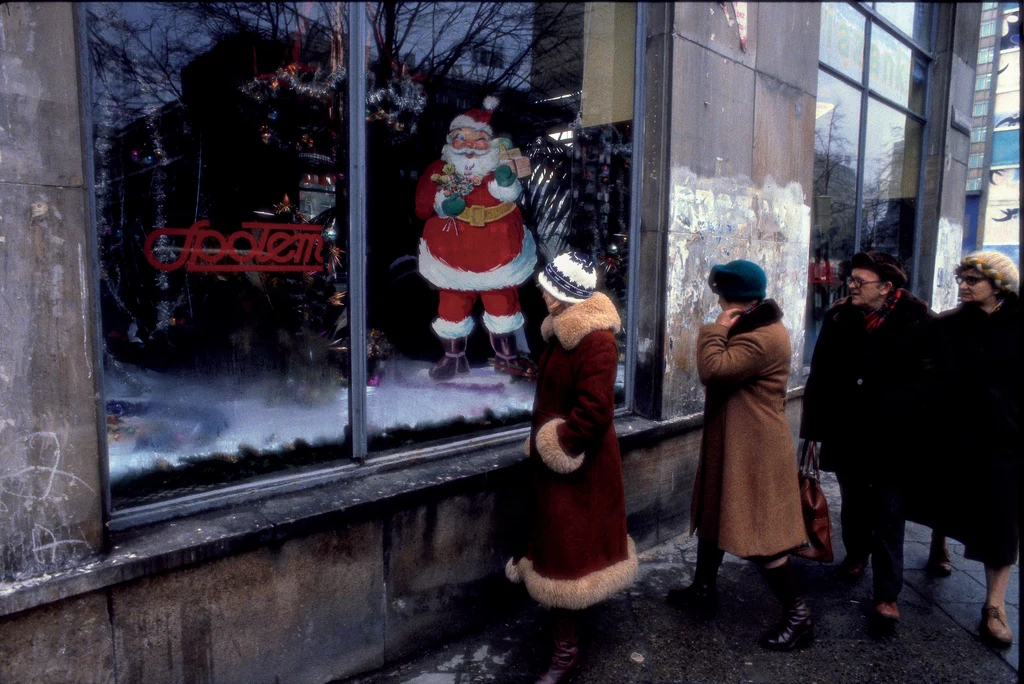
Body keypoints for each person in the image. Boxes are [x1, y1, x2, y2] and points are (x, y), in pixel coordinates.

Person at [505, 252, 637, 684]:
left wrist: (559, 443)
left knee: (566, 555)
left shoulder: (594, 339)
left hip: (580, 466)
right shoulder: (562, 333)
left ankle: (566, 651)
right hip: (560, 464)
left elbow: (596, 411)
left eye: (548, 287)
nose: (541, 292)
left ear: (565, 294)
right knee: (562, 547)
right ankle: (569, 634)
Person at [667, 259, 812, 651]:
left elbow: (713, 369)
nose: (717, 299)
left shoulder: (761, 336)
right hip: (734, 439)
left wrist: (716, 328)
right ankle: (702, 588)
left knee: (761, 534)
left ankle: (799, 616)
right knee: (714, 513)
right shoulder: (755, 325)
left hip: (755, 448)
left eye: (720, 295)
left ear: (732, 298)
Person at [800, 251, 933, 631]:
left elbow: (932, 380)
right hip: (847, 431)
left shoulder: (919, 319)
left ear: (887, 287)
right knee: (854, 501)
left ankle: (887, 595)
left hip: (895, 436)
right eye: (851, 280)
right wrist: (812, 431)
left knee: (890, 513)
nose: (851, 287)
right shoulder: (840, 315)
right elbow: (821, 374)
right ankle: (856, 553)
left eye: (860, 282)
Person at [911, 251, 1019, 648]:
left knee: (1002, 518)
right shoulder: (947, 324)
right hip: (953, 430)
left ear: (999, 284)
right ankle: (940, 544)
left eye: (973, 279)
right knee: (945, 494)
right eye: (962, 278)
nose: (963, 285)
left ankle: (994, 608)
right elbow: (918, 362)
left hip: (1005, 437)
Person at [414, 96, 538, 380]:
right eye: (460, 138)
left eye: (479, 139)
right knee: (452, 305)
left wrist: (506, 182)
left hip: (499, 253)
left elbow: (514, 191)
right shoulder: (439, 170)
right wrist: (443, 203)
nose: (469, 146)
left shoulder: (500, 166)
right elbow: (421, 207)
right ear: (449, 142)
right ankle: (453, 358)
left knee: (503, 303)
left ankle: (508, 357)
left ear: (491, 143)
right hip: (451, 251)